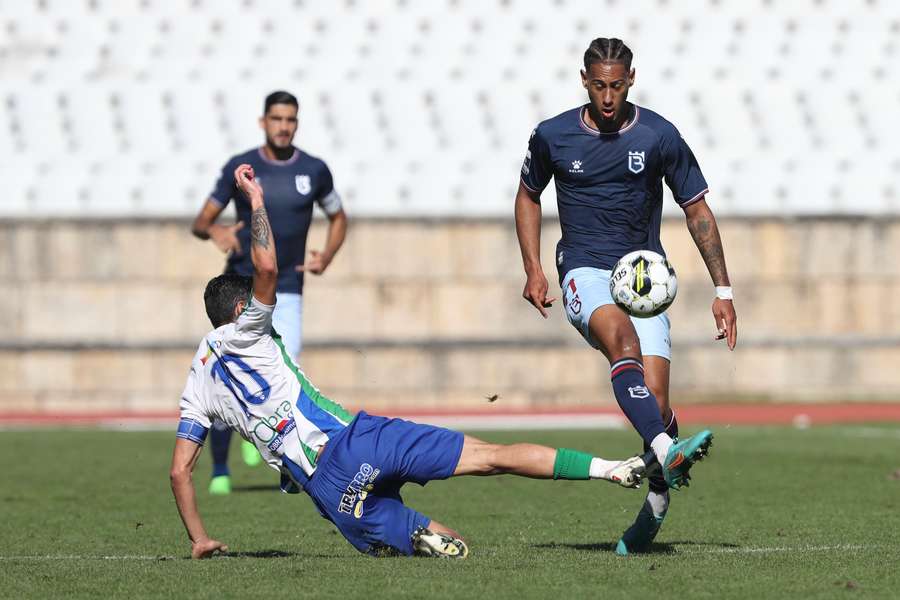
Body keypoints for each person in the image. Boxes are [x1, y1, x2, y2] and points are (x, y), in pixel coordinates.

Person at [170, 164, 649, 559]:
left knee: (446, 547)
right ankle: (608, 469)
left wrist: (200, 539)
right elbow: (269, 268)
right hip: (357, 440)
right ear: (239, 311)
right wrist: (255, 199)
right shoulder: (249, 330)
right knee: (490, 458)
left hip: (328, 490)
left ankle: (422, 536)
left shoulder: (198, 383)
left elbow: (179, 471)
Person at [514, 38, 733, 556]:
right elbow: (528, 195)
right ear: (584, 80)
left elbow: (697, 210)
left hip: (643, 277)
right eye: (598, 86)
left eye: (616, 85)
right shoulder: (553, 135)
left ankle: (656, 501)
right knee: (622, 338)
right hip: (583, 269)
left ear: (631, 78)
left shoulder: (659, 134)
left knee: (655, 405)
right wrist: (534, 268)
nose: (607, 97)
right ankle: (667, 449)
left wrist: (723, 289)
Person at [190, 90, 347, 495]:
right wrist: (217, 230)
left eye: (290, 119)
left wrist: (326, 255)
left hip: (288, 288)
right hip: (241, 288)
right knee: (230, 377)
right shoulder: (241, 167)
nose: (283, 126)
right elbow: (201, 221)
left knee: (285, 370)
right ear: (263, 121)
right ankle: (221, 470)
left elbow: (338, 216)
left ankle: (287, 467)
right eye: (276, 119)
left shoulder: (314, 170)